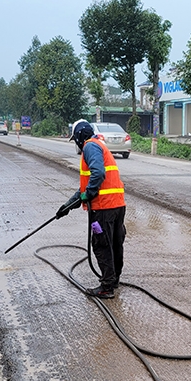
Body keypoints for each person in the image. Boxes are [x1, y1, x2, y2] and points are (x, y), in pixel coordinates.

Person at [56, 120, 127, 299]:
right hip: (117, 204)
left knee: (102, 244)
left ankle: (107, 286)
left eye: (75, 139)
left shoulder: (90, 147)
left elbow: (98, 174)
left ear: (79, 136)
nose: (76, 142)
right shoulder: (98, 146)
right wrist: (67, 207)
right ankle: (113, 279)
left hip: (103, 207)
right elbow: (84, 189)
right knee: (115, 243)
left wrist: (90, 193)